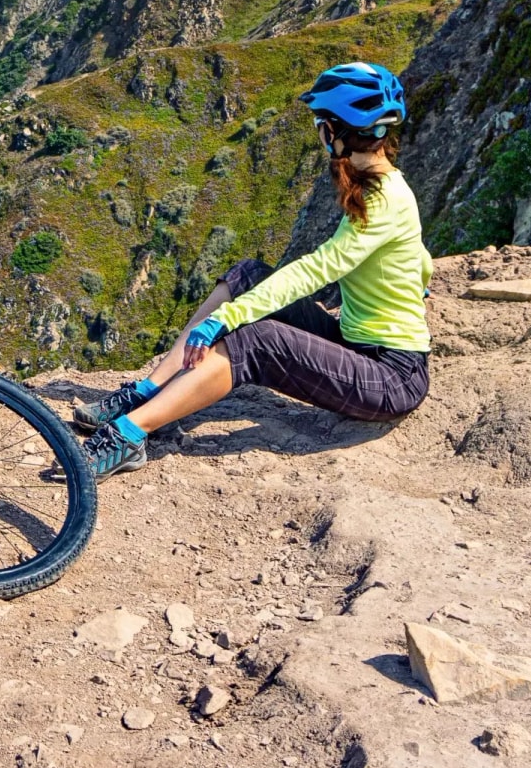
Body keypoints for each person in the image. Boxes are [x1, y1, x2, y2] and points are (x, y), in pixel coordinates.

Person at [75, 62, 432, 478]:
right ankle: (148, 392)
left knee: (255, 339)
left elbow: (317, 270)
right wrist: (416, 284)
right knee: (247, 274)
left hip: (391, 378)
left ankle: (130, 435)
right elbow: (418, 252)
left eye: (321, 122)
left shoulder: (384, 199)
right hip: (359, 345)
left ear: (335, 129)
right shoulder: (382, 183)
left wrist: (225, 319)